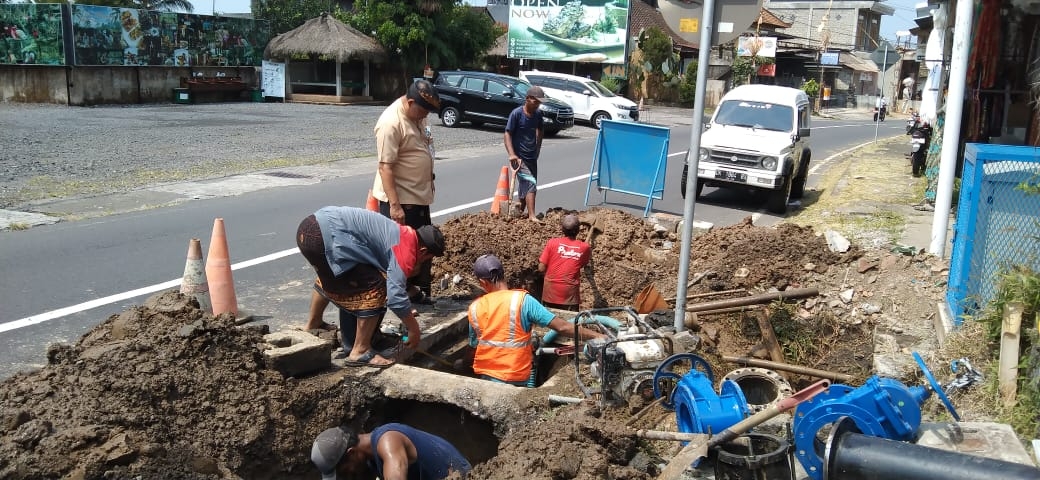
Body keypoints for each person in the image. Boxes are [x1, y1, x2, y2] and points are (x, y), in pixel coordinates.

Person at [297, 206, 445, 367]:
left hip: (309, 227)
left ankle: (314, 323)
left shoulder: (402, 232)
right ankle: (360, 350)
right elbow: (394, 298)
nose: (423, 262)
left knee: (333, 276)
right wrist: (413, 328)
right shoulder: (407, 250)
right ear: (423, 250)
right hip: (325, 237)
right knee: (377, 288)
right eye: (427, 258)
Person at [464, 254, 606, 386]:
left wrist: (462, 364)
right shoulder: (522, 301)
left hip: (486, 377)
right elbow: (562, 327)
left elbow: (474, 345)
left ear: (482, 282)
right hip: (516, 376)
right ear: (503, 273)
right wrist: (598, 336)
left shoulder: (475, 307)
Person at [372, 79, 440, 303]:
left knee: (421, 247)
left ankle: (412, 290)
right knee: (401, 252)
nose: (425, 115)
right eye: (423, 110)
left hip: (418, 196)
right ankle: (395, 297)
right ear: (410, 102)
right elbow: (385, 167)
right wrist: (395, 206)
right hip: (402, 201)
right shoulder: (391, 123)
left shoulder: (417, 115)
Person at [311, 423, 471, 480]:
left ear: (352, 453)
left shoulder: (388, 442)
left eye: (344, 472)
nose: (347, 477)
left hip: (461, 475)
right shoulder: (368, 457)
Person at [504, 85, 547, 222]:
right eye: (536, 101)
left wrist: (538, 147)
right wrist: (512, 154)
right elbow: (507, 134)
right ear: (528, 99)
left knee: (525, 187)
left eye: (540, 102)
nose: (538, 105)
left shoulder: (538, 115)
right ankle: (532, 215)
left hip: (531, 157)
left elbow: (540, 130)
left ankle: (518, 213)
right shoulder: (517, 114)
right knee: (530, 183)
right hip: (519, 158)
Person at [538, 214, 591, 311]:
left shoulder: (552, 242)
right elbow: (582, 264)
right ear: (578, 230)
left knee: (548, 321)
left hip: (550, 291)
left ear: (563, 230)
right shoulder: (585, 247)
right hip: (569, 294)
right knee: (570, 323)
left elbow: (541, 268)